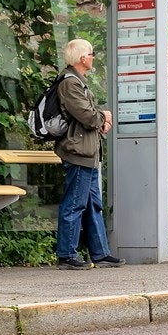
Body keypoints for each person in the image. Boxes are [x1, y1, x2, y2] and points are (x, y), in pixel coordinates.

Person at [53, 38, 125, 271]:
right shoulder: (69, 83)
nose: (93, 58)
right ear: (82, 58)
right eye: (91, 54)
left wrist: (100, 119)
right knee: (74, 204)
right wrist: (104, 117)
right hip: (78, 152)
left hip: (88, 152)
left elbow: (89, 116)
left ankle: (100, 253)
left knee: (93, 204)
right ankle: (67, 255)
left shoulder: (78, 82)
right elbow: (87, 116)